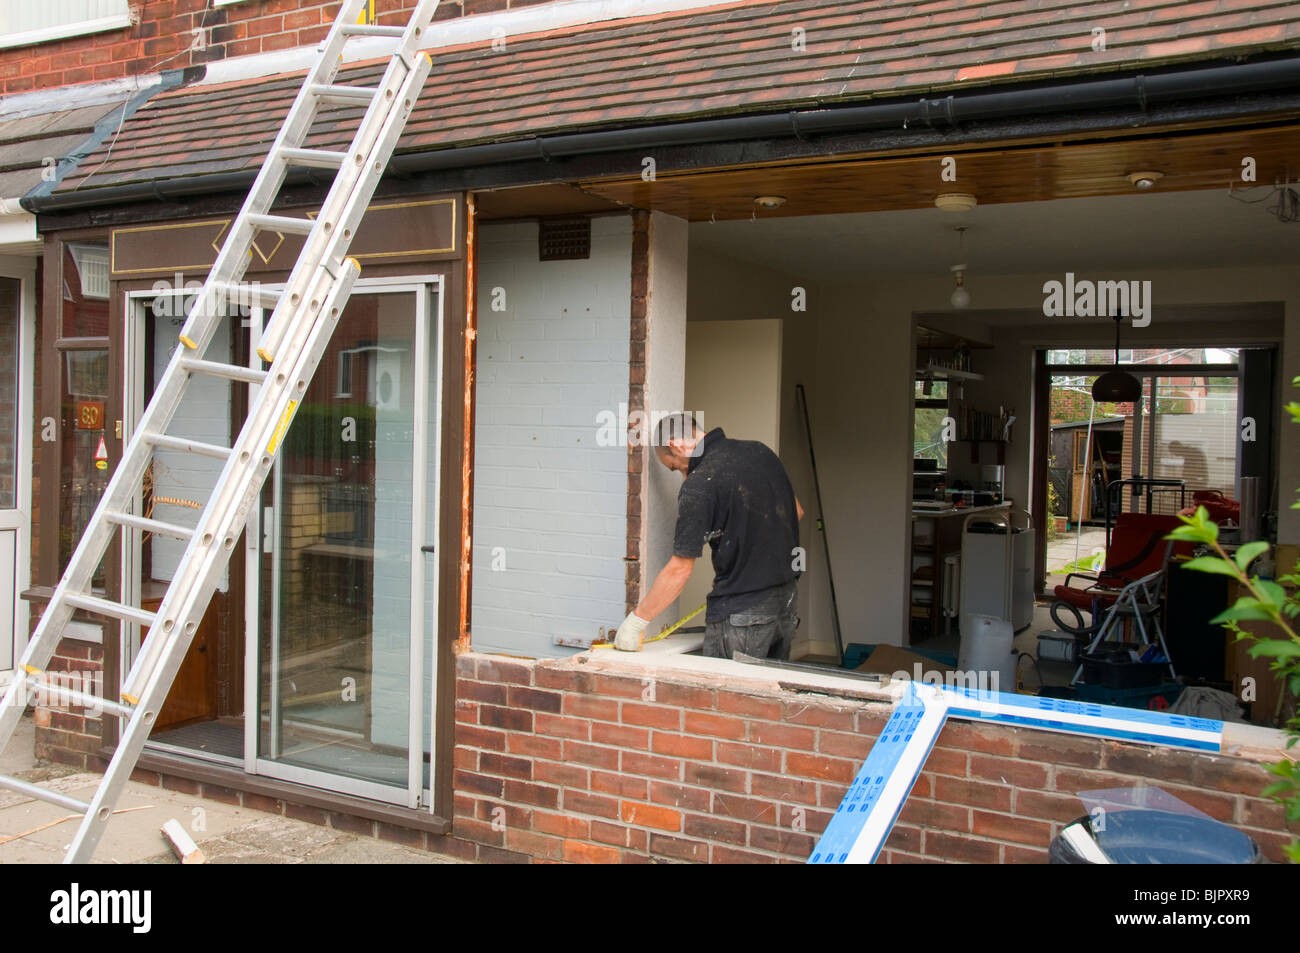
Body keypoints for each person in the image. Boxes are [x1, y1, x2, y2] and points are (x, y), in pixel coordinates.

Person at [614, 412, 804, 659]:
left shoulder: (700, 484)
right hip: (786, 604)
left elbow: (679, 569)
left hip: (741, 614)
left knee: (727, 695)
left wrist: (637, 622)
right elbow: (796, 512)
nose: (683, 474)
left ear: (676, 445)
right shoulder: (760, 452)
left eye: (675, 467)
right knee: (765, 695)